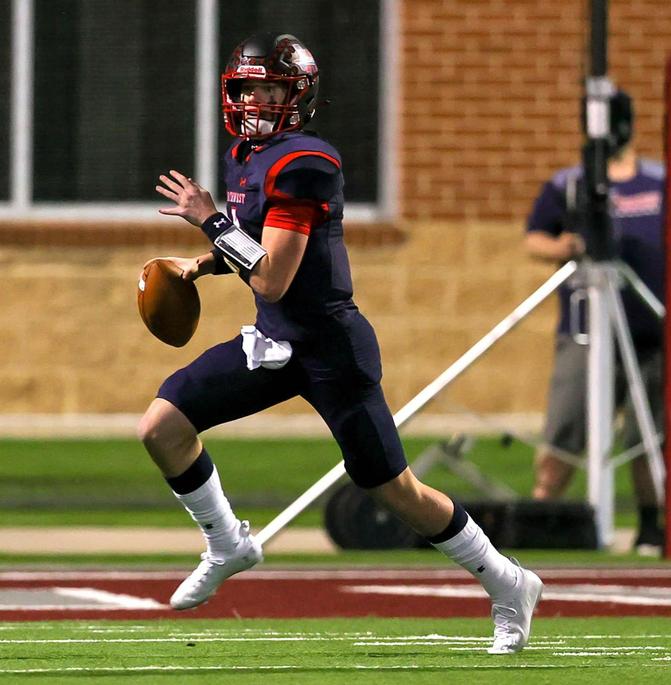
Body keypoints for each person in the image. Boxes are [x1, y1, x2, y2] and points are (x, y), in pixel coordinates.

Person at [138, 33, 542, 654]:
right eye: (246, 89)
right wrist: (203, 263)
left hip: (330, 350)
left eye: (269, 89)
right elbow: (257, 245)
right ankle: (227, 542)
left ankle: (508, 582)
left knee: (396, 492)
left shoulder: (306, 161)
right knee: (162, 428)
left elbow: (273, 275)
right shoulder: (247, 154)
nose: (254, 101)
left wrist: (211, 221)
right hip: (273, 344)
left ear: (296, 95)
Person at [523, 89, 666, 554]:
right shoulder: (571, 183)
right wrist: (568, 246)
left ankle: (651, 525)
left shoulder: (661, 182)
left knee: (648, 436)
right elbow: (535, 239)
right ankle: (544, 515)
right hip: (587, 331)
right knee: (566, 427)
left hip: (653, 330)